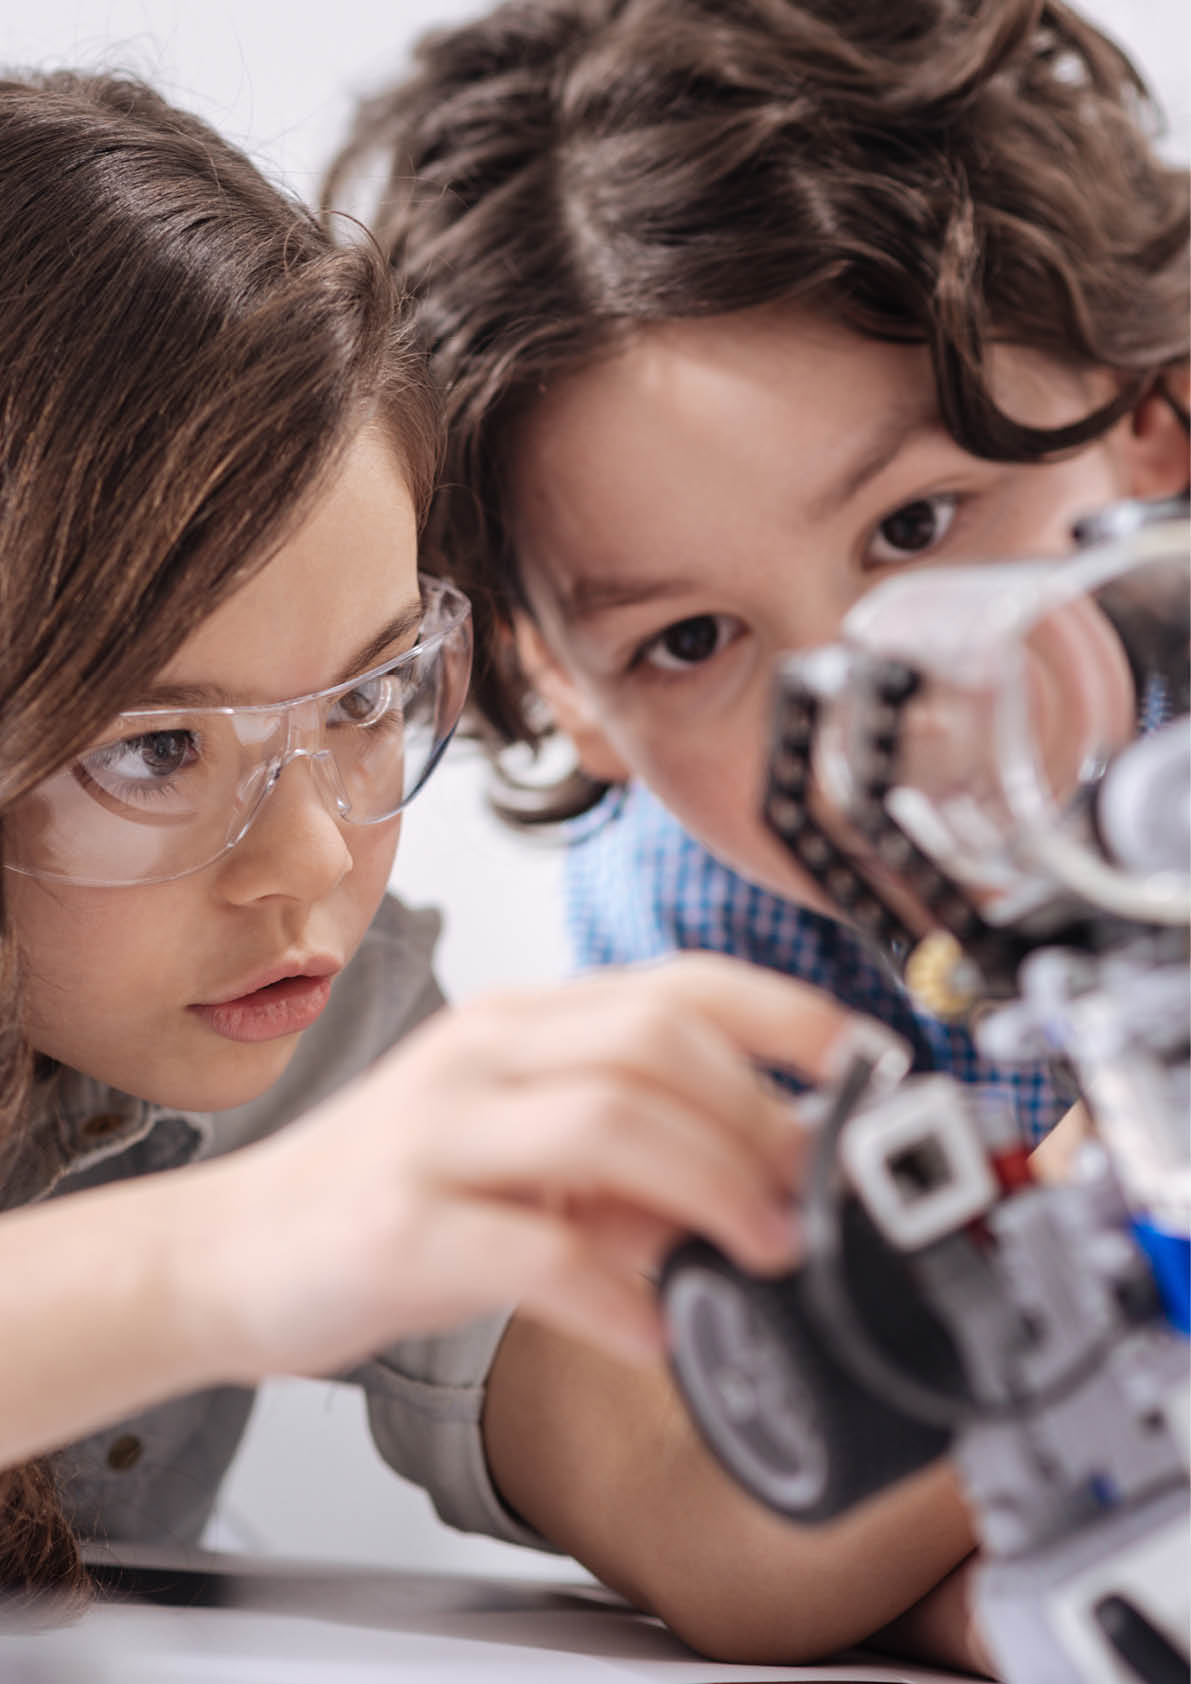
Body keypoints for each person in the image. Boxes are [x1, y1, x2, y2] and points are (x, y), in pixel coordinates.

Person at [323, 0, 1190, 1666]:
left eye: (918, 524)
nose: (857, 707)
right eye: (691, 643)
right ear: (560, 696)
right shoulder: (710, 926)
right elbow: (807, 1516)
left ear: (1147, 414)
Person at [0, 67, 897, 1610]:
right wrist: (227, 1256)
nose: (310, 862)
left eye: (361, 699)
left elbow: (722, 1510)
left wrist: (1111, 1202)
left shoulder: (309, 1009)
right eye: (154, 747)